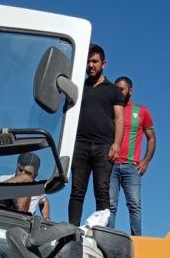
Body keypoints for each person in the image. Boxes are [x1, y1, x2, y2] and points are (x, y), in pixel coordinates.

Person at [67, 44, 124, 226]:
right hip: (80, 145)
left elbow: (119, 118)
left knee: (101, 190)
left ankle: (101, 231)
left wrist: (116, 144)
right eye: (88, 62)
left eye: (95, 61)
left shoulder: (113, 90)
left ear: (103, 64)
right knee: (77, 191)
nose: (91, 65)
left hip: (103, 146)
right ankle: (72, 230)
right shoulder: (78, 87)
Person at [108, 76, 156, 236]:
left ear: (130, 90)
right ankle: (108, 237)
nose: (118, 92)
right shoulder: (111, 109)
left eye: (121, 89)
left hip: (131, 166)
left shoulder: (142, 111)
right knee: (110, 204)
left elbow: (152, 138)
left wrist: (146, 161)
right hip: (112, 165)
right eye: (116, 89)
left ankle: (137, 240)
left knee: (134, 204)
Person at [0, 152, 50, 220]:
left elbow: (44, 200)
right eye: (20, 170)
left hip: (25, 224)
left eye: (28, 173)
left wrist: (46, 218)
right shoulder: (2, 180)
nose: (22, 175)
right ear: (16, 167)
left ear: (35, 175)